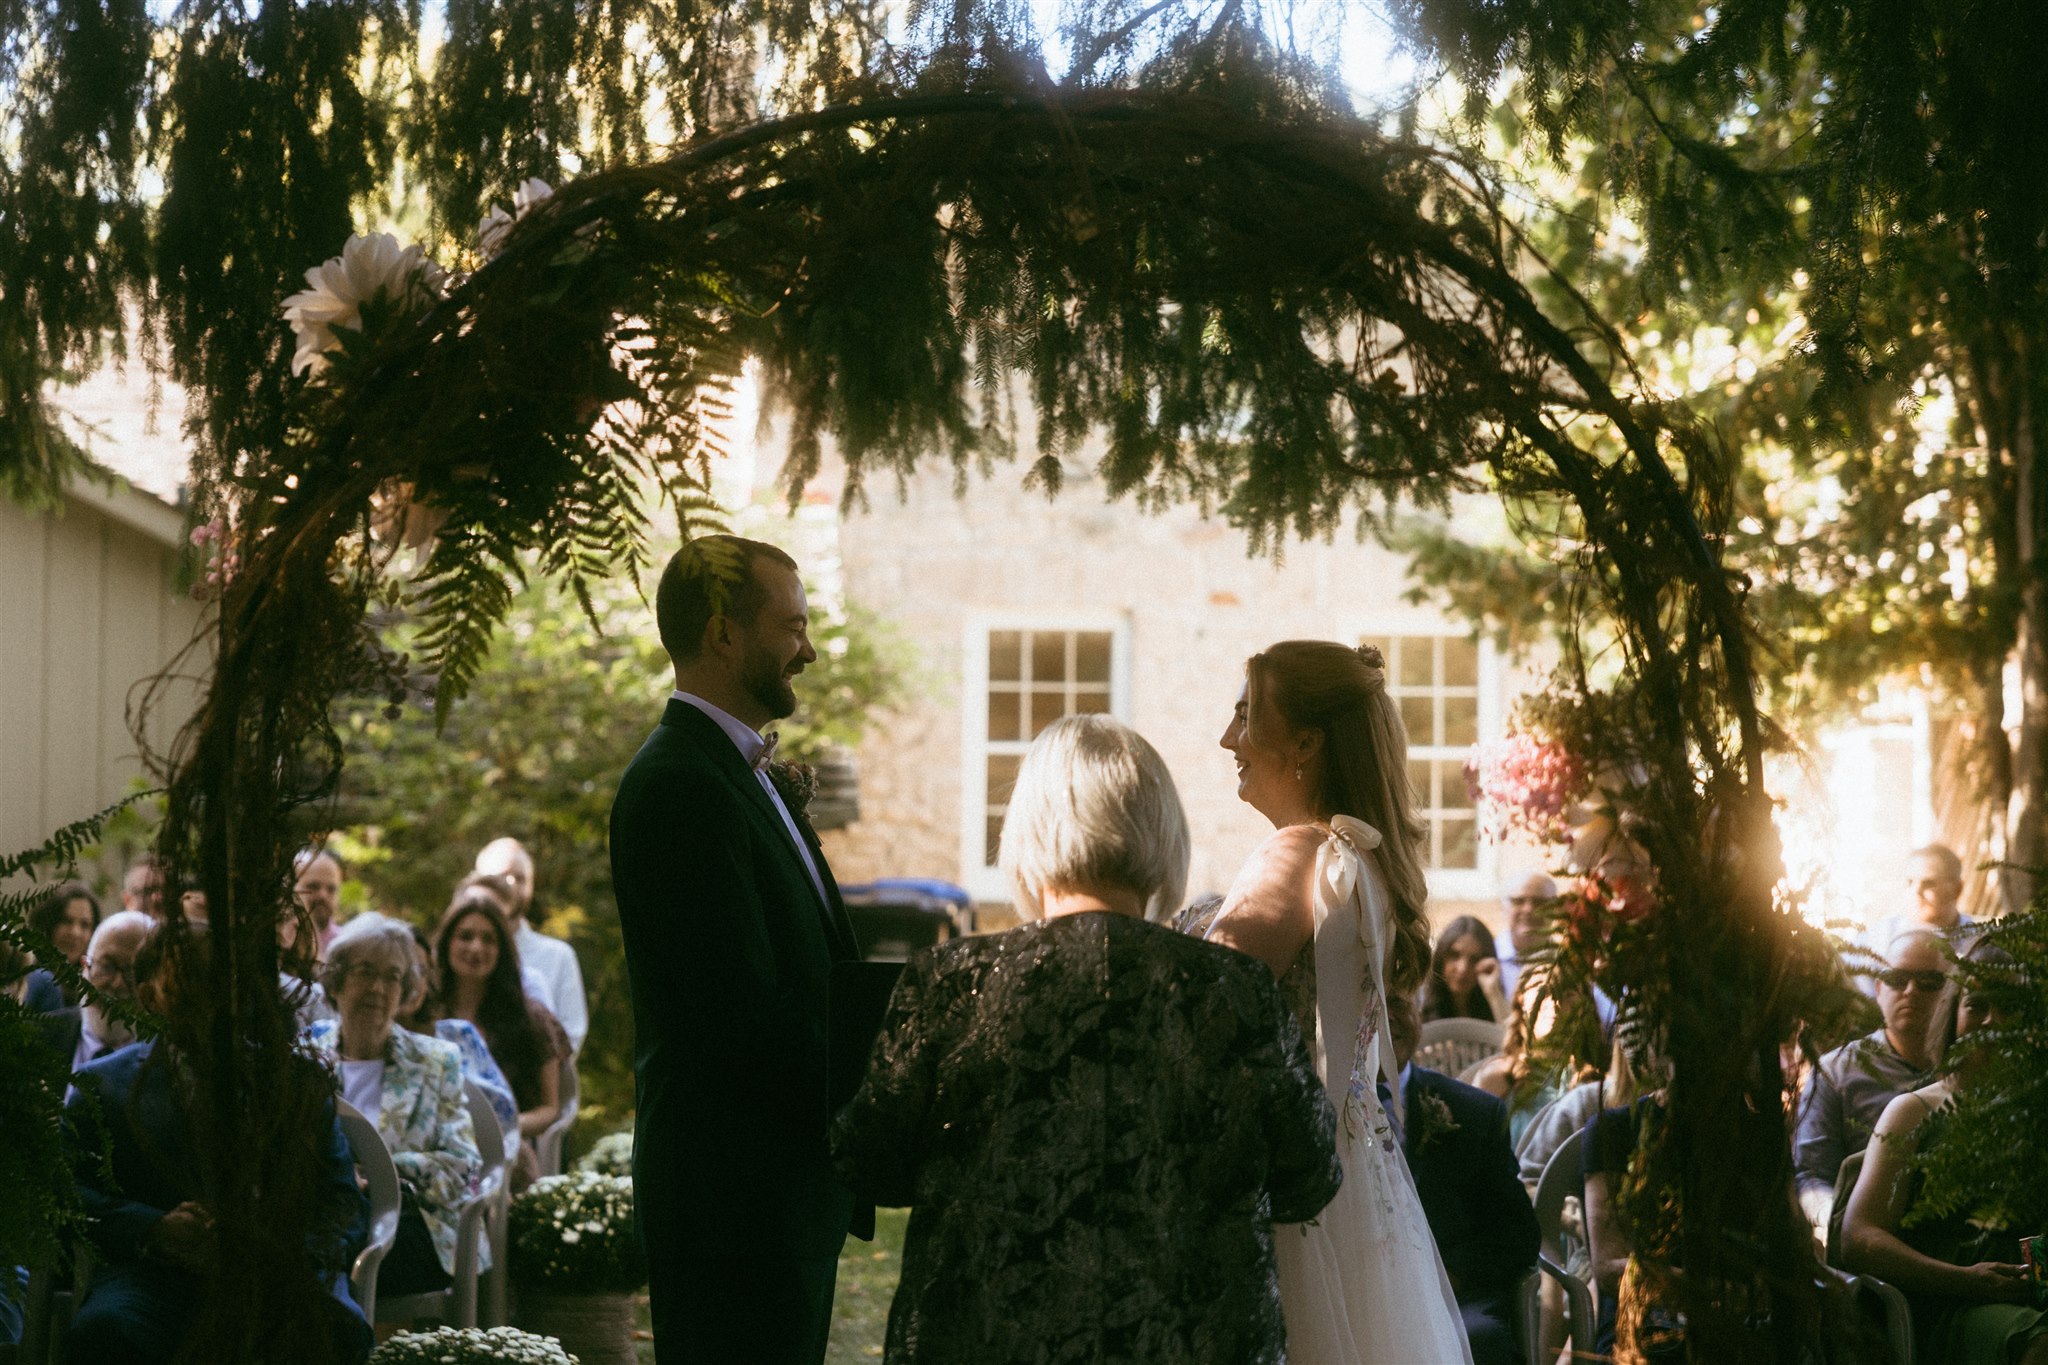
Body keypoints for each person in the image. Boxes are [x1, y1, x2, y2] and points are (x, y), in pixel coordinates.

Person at [832, 715, 1342, 1363]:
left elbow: (867, 1159)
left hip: (988, 1338)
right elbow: (1310, 1174)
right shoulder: (1232, 989)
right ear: (1161, 832)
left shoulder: (951, 982)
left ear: (1028, 828)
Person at [610, 535, 868, 1365]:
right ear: (724, 635)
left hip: (775, 1201)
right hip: (733, 1207)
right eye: (790, 626)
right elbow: (737, 1017)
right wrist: (874, 1093)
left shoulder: (735, 770)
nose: (809, 649)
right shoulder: (680, 784)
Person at [1200, 639, 1473, 1364]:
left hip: (1286, 1187)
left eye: (1247, 715)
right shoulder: (1358, 860)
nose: (1229, 738)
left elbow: (1200, 1009)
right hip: (1355, 1177)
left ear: (1306, 742)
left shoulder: (1296, 855)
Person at [63, 921, 373, 1365]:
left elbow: (342, 1200)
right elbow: (68, 1193)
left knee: (335, 1330)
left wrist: (272, 1251)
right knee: (104, 1332)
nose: (219, 991)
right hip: (155, 1281)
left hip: (278, 1277)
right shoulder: (104, 1086)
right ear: (150, 997)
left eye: (226, 976)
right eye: (194, 976)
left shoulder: (295, 1082)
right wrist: (153, 1228)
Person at [1841, 952, 2048, 1365]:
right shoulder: (1914, 1112)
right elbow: (1858, 1237)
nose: (1992, 1020)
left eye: (2009, 1007)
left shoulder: (2037, 1112)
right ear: (1954, 1013)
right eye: (1977, 1005)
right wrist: (1966, 1281)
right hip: (1953, 1311)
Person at [309, 914, 482, 1297]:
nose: (377, 988)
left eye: (392, 977)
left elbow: (462, 1166)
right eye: (365, 972)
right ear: (336, 980)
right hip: (323, 1219)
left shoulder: (437, 1060)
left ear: (406, 991)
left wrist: (378, 1173)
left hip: (411, 1228)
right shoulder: (307, 1056)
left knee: (325, 1250)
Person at [1386, 992, 1539, 1365]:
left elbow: (1518, 1234)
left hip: (1456, 1296)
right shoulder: (1318, 1111)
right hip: (1354, 1297)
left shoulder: (1474, 1114)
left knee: (1480, 1339)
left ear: (1419, 1010)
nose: (1391, 1017)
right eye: (1378, 999)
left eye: (1400, 1001)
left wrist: (1450, 1274)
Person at [1792, 928, 1944, 1227]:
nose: (1911, 990)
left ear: (1951, 991)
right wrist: (1835, 1225)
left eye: (1928, 982)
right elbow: (1812, 1174)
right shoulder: (1835, 1072)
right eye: (1897, 979)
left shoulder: (1973, 1064)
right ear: (1878, 988)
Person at [428, 889, 563, 1175]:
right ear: (447, 942)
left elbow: (550, 1108)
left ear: (502, 949)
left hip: (508, 1154)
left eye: (489, 939)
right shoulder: (422, 1013)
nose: (476, 948)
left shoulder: (532, 1018)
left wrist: (502, 1128)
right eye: (465, 936)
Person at [473, 836, 588, 1054]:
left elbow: (571, 1035)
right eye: (502, 876)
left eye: (520, 878)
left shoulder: (558, 957)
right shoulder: (459, 953)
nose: (512, 886)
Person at [36, 910, 155, 1090]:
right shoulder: (37, 1038)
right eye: (106, 966)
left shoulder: (166, 1062)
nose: (117, 984)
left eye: (133, 973)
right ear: (85, 967)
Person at [1421, 913, 1507, 1023]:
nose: (1463, 968)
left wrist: (1494, 994)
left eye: (1474, 959)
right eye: (1454, 956)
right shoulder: (1419, 1008)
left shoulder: (1495, 1005)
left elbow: (1513, 1037)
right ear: (1441, 957)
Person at [26, 880, 99, 1005]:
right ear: (47, 925)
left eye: (85, 925)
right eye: (66, 921)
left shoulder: (96, 988)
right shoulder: (28, 980)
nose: (75, 932)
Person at [1493, 872, 1555, 1002]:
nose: (1528, 909)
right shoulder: (1485, 956)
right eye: (1519, 901)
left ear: (1556, 908)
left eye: (1539, 902)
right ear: (1503, 907)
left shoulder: (1572, 962)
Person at [293, 847, 345, 962]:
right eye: (313, 886)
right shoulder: (278, 942)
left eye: (331, 889)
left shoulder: (348, 947)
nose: (323, 896)